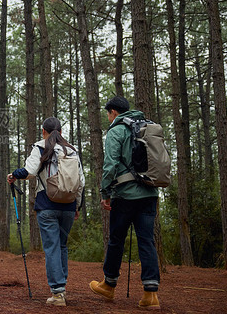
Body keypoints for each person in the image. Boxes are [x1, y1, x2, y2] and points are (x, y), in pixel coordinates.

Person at [89, 96, 161, 309]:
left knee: (116, 240)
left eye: (108, 113)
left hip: (125, 196)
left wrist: (105, 192)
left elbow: (110, 164)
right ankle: (151, 295)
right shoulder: (147, 126)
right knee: (147, 241)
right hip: (150, 194)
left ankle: (109, 285)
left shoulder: (116, 130)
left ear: (112, 112)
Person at [7, 117, 84, 307]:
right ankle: (61, 289)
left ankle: (58, 293)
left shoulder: (41, 147)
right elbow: (80, 181)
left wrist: (13, 175)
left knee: (52, 247)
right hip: (68, 205)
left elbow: (30, 171)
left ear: (43, 131)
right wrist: (77, 206)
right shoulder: (71, 150)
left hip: (47, 204)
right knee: (62, 246)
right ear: (61, 132)